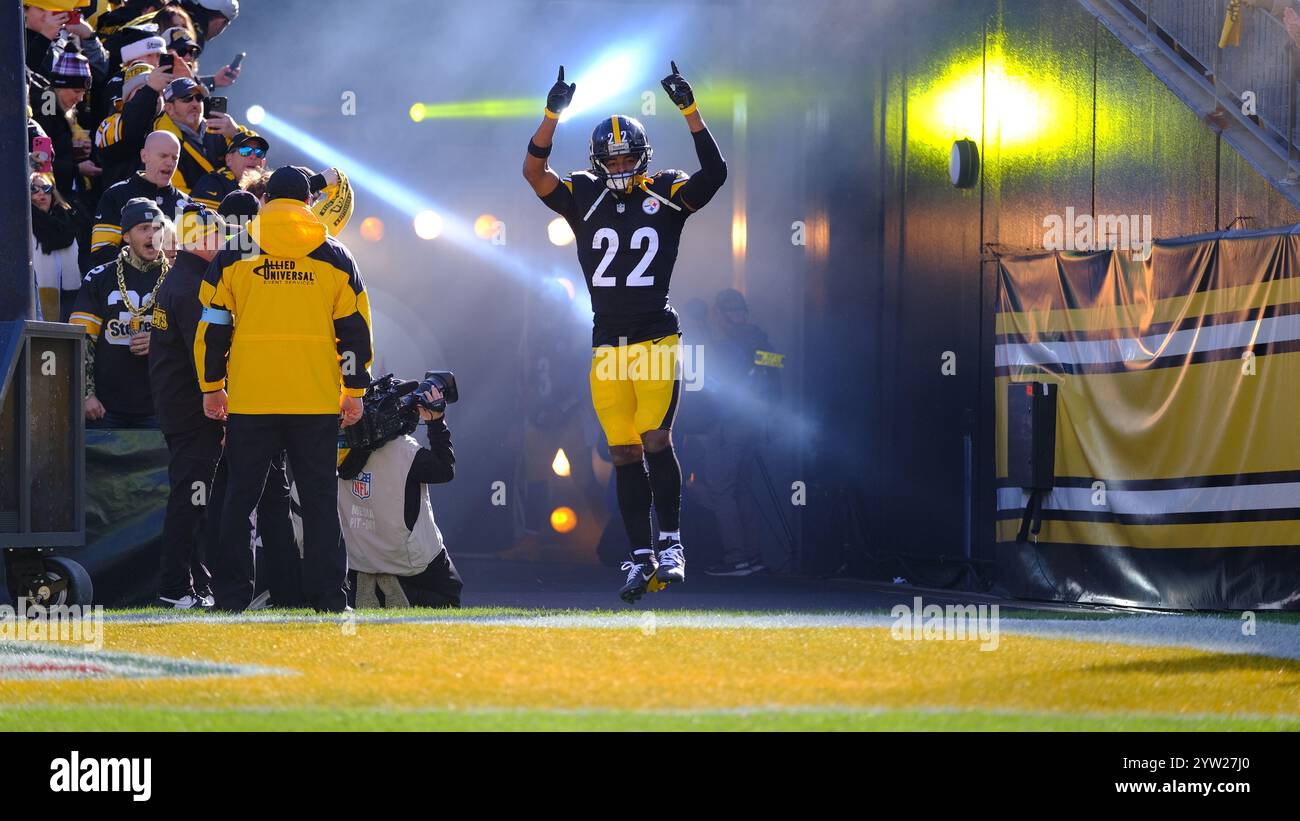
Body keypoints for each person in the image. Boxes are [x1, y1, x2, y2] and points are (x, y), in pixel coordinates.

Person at [523, 62, 727, 602]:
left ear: (642, 158)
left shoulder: (664, 191)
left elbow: (715, 175)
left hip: (655, 335)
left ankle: (672, 544)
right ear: (596, 160)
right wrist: (550, 116)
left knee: (656, 438)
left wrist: (691, 111)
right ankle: (639, 558)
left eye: (626, 155)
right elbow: (534, 175)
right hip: (606, 342)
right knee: (622, 452)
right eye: (610, 156)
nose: (617, 163)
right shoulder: (584, 193)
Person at [195, 166, 374, 613]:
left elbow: (213, 325)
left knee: (240, 502)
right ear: (309, 203)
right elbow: (355, 333)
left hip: (252, 400)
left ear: (265, 200)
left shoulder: (235, 252)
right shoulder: (335, 255)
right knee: (318, 502)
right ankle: (330, 600)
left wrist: (211, 385)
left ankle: (232, 598)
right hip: (313, 400)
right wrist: (355, 392)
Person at [148, 203, 226, 608]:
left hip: (181, 408)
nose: (227, 242)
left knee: (195, 497)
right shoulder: (193, 287)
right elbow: (206, 355)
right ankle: (175, 587)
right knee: (191, 497)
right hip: (195, 411)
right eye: (220, 235)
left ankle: (195, 582)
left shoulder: (180, 278)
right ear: (203, 238)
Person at [338, 381, 463, 609]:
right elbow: (446, 469)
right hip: (407, 561)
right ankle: (391, 593)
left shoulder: (330, 448)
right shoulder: (407, 452)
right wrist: (436, 422)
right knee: (450, 595)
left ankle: (364, 587)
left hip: (357, 561)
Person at [70, 197, 171, 429]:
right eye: (144, 228)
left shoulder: (177, 280)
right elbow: (82, 339)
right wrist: (86, 394)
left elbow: (196, 340)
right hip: (106, 406)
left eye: (158, 228)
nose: (152, 235)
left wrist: (160, 341)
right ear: (126, 235)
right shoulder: (98, 278)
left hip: (160, 406)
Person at [699, 289, 774, 576]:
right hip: (755, 424)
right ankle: (752, 557)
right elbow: (773, 381)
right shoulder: (761, 341)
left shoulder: (729, 346)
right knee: (742, 489)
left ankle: (736, 559)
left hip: (730, 425)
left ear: (722, 314)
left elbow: (718, 388)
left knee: (721, 490)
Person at [90, 130, 189, 266]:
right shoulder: (117, 195)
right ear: (144, 156)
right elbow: (101, 252)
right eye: (163, 156)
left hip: (175, 285)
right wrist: (152, 260)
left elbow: (198, 255)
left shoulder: (188, 204)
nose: (170, 163)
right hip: (126, 284)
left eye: (174, 158)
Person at [151, 76, 252, 195]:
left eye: (199, 98)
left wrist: (236, 133)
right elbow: (174, 192)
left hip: (235, 203)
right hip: (192, 210)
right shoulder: (162, 141)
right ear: (169, 108)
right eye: (187, 98)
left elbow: (257, 155)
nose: (195, 103)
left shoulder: (222, 129)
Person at [30, 172, 82, 322]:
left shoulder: (69, 219)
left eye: (46, 188)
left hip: (69, 295)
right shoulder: (24, 225)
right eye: (34, 188)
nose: (41, 193)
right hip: (38, 301)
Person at [190, 133, 268, 208]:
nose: (253, 156)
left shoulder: (269, 187)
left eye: (259, 153)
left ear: (263, 163)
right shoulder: (212, 183)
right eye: (245, 151)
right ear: (228, 159)